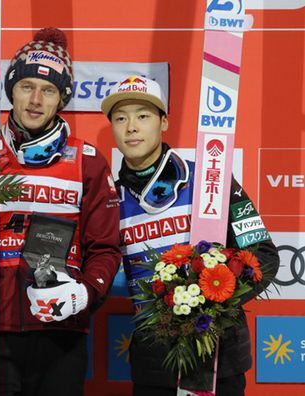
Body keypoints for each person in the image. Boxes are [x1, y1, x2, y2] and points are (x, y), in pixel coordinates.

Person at [100, 75, 279, 396]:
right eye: (120, 118)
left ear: (164, 121)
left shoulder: (212, 180)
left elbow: (263, 256)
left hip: (219, 358)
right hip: (155, 366)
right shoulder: (110, 197)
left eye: (143, 116)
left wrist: (213, 302)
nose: (131, 127)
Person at [0, 27, 122, 396]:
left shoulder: (87, 161)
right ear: (11, 90)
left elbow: (105, 248)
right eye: (26, 86)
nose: (35, 100)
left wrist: (86, 292)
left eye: (48, 90)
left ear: (61, 99)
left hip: (61, 331)